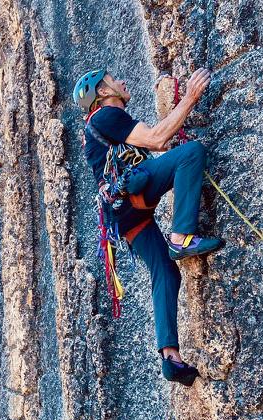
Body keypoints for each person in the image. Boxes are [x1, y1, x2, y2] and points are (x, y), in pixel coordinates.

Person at [73, 68, 225, 386]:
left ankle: (171, 358)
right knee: (191, 153)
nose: (123, 81)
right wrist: (191, 98)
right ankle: (182, 237)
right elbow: (157, 139)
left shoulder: (105, 126)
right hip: (130, 196)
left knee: (165, 271)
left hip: (122, 214)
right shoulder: (105, 115)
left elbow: (151, 148)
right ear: (101, 93)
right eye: (115, 80)